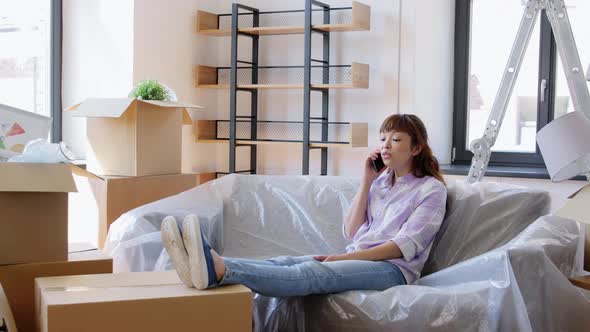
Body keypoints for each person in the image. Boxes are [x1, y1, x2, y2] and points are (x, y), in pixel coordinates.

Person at [161, 114, 447, 297]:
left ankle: (220, 269)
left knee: (312, 273)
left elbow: (402, 246)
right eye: (382, 139)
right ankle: (208, 266)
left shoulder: (431, 190)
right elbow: (351, 231)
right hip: (358, 256)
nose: (385, 145)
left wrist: (343, 260)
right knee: (285, 262)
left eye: (395, 140)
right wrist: (366, 180)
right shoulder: (380, 183)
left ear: (416, 148)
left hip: (392, 270)